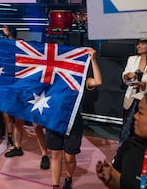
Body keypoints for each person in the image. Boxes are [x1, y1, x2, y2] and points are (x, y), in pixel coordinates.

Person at [47, 48, 102, 189]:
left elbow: (97, 81)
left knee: (70, 158)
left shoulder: (80, 80)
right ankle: (55, 185)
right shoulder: (53, 79)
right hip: (54, 121)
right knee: (55, 154)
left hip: (73, 123)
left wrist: (93, 60)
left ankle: (68, 177)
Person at [96, 90, 147, 189]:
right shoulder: (130, 147)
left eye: (141, 112)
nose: (135, 116)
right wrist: (110, 179)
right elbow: (122, 183)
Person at [119, 40, 147, 146]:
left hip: (145, 98)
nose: (139, 46)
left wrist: (144, 85)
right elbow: (124, 76)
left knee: (142, 128)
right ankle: (121, 152)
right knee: (127, 127)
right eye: (138, 44)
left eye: (142, 44)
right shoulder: (132, 59)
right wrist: (128, 76)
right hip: (131, 97)